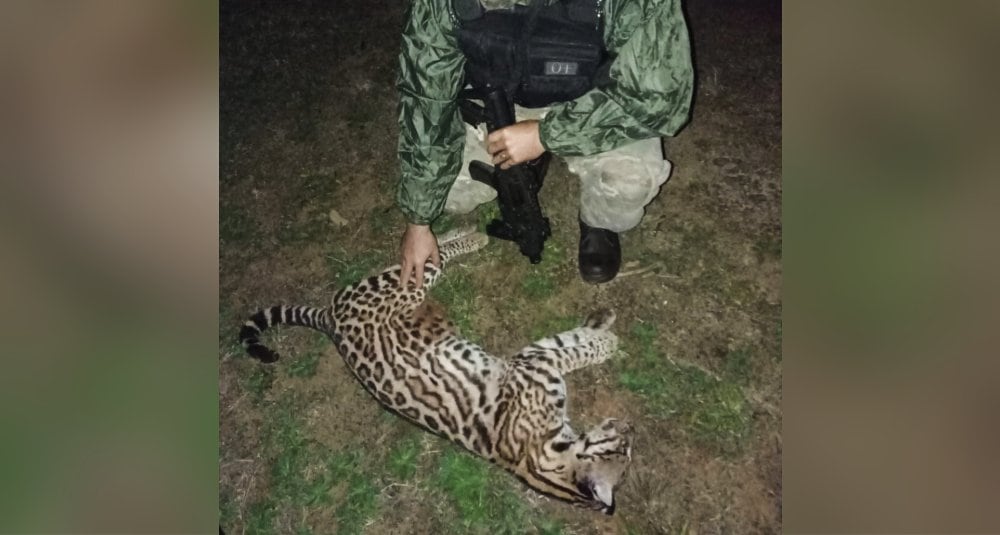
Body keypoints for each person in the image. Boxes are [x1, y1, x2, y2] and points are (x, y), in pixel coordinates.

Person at [397, 0, 693, 288]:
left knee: (629, 184)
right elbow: (425, 99)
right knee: (451, 195)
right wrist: (418, 221)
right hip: (497, 100)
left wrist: (545, 135)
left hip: (594, 104)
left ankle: (596, 222)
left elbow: (662, 98)